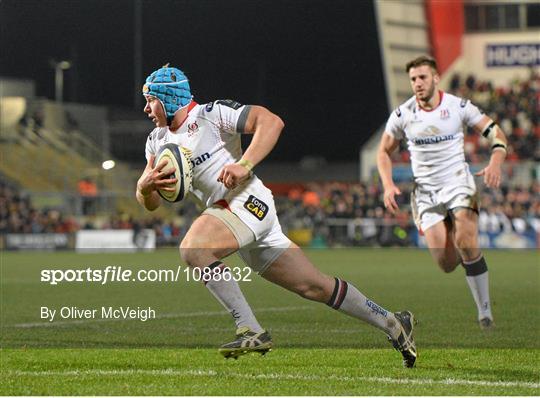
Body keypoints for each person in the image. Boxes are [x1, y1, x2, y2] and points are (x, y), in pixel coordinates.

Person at [136, 64, 417, 367]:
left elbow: (271, 122)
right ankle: (393, 323)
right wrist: (144, 186)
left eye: (151, 99)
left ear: (168, 97)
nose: (146, 107)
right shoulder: (156, 141)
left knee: (193, 248)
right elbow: (149, 202)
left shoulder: (211, 113)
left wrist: (243, 164)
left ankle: (250, 329)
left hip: (247, 202)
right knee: (314, 286)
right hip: (232, 219)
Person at [377, 55, 508, 330]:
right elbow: (383, 152)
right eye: (413, 79)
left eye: (422, 77)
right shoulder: (403, 114)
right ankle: (463, 245)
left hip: (458, 182)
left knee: (466, 239)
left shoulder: (458, 106)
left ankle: (485, 312)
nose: (417, 83)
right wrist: (388, 184)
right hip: (425, 192)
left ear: (436, 78)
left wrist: (495, 161)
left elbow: (496, 133)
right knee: (447, 263)